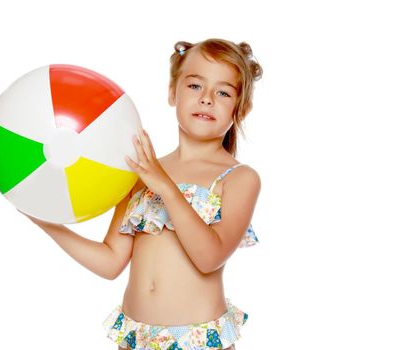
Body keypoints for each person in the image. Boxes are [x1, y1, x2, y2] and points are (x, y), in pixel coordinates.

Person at [21, 38, 263, 350]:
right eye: (194, 86)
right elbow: (110, 263)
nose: (206, 99)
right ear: (172, 92)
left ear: (239, 108)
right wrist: (46, 222)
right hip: (135, 340)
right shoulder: (140, 175)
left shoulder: (239, 178)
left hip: (198, 342)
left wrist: (164, 185)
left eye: (223, 92)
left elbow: (209, 258)